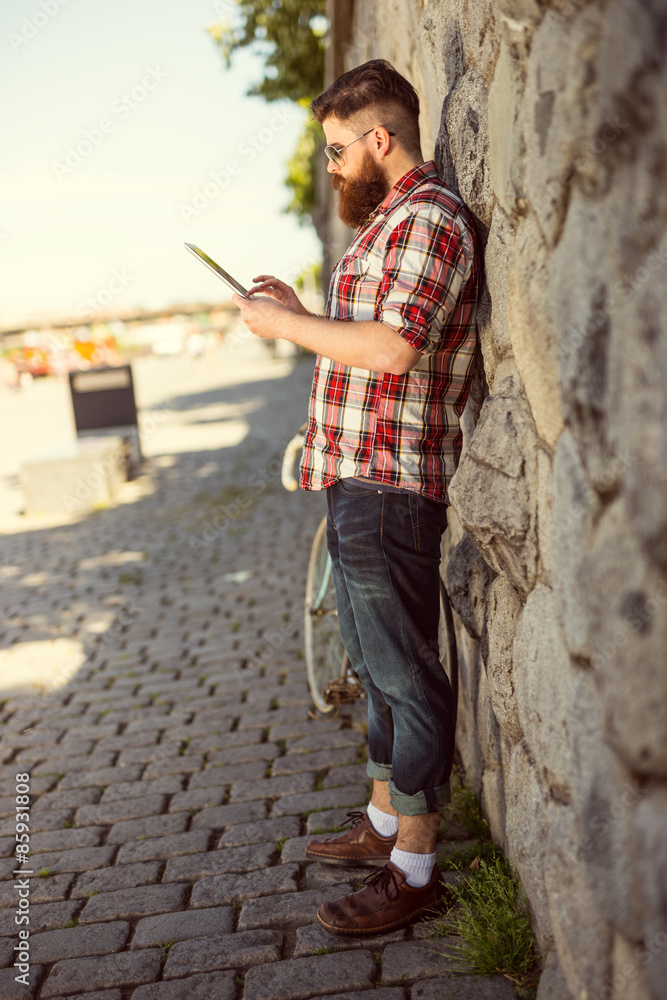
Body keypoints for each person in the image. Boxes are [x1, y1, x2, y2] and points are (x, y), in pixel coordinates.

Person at [234, 58, 480, 935]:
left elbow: (391, 351)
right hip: (353, 474)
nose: (334, 165)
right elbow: (359, 336)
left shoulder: (429, 218)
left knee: (405, 672)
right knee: (376, 668)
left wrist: (287, 327)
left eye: (340, 149)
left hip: (390, 479)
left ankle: (416, 867)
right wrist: (300, 308)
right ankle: (383, 825)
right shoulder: (386, 225)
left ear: (381, 139)